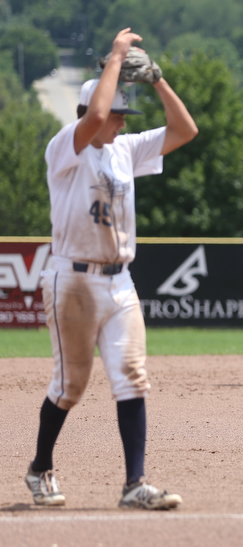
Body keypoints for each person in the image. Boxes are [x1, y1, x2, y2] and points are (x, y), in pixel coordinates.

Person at [24, 28, 198, 509]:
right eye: (119, 114)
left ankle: (134, 484)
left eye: (124, 115)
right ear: (88, 114)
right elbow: (97, 113)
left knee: (132, 377)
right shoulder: (66, 147)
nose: (121, 122)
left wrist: (159, 81)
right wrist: (116, 58)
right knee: (70, 386)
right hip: (73, 280)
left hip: (119, 279)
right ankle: (40, 469)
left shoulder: (124, 149)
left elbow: (185, 131)